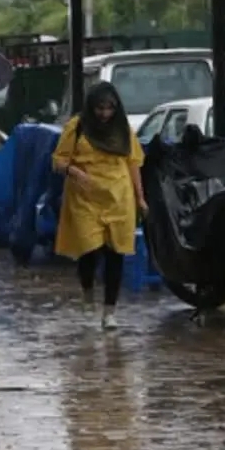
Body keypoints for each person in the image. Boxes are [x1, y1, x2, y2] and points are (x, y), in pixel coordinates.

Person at [51, 82, 147, 330]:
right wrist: (74, 172)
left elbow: (133, 164)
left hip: (118, 197)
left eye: (109, 108)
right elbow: (58, 161)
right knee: (89, 249)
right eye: (99, 108)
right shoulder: (77, 127)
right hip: (84, 198)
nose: (105, 114)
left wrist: (140, 198)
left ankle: (109, 311)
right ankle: (87, 288)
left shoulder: (124, 130)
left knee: (116, 253)